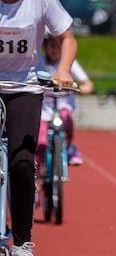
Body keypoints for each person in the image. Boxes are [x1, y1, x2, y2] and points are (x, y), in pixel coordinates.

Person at [0, 0, 78, 256]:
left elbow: (67, 38)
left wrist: (62, 69)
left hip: (25, 87)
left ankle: (23, 245)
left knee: (20, 162)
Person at [36, 33, 94, 170]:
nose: (54, 50)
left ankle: (69, 146)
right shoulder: (38, 63)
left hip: (63, 103)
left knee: (67, 118)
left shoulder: (68, 62)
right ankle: (35, 174)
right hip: (44, 107)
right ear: (45, 47)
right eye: (51, 46)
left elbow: (86, 81)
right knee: (41, 141)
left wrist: (86, 86)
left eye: (57, 46)